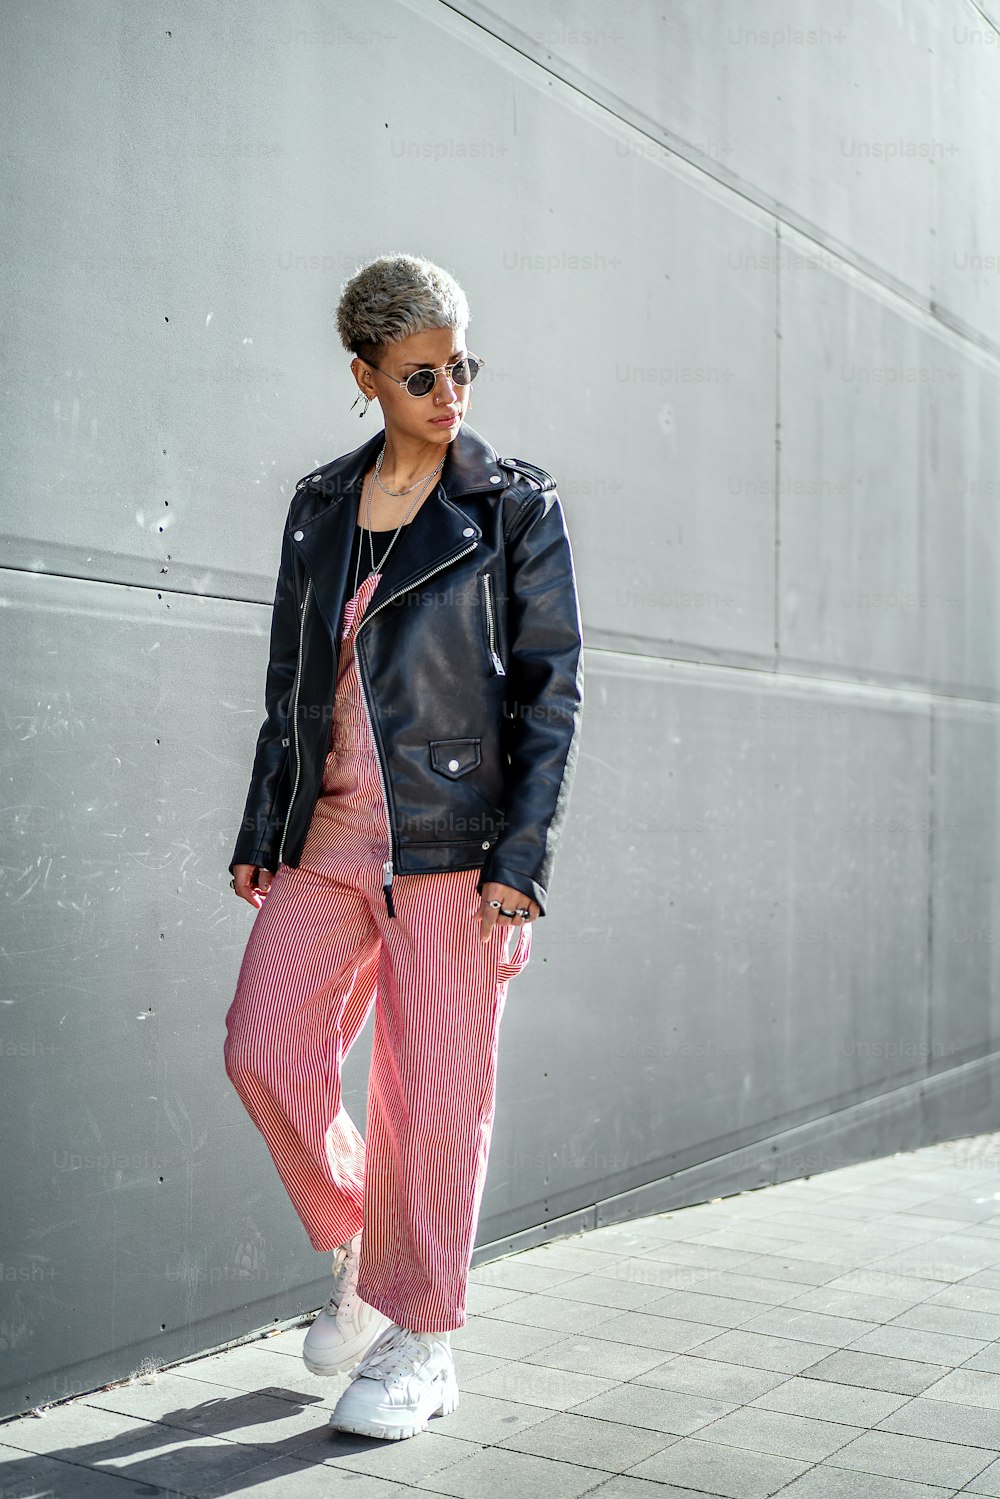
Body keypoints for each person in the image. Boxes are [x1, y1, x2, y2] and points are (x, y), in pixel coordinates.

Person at [223, 253, 584, 1441]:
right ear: (366, 375)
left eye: (462, 364)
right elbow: (291, 680)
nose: (450, 391)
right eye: (421, 372)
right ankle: (360, 1249)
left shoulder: (511, 505)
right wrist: (263, 823)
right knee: (264, 1048)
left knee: (433, 1100)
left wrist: (519, 860)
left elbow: (551, 689)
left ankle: (423, 1340)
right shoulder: (320, 504)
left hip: (455, 845)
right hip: (329, 836)